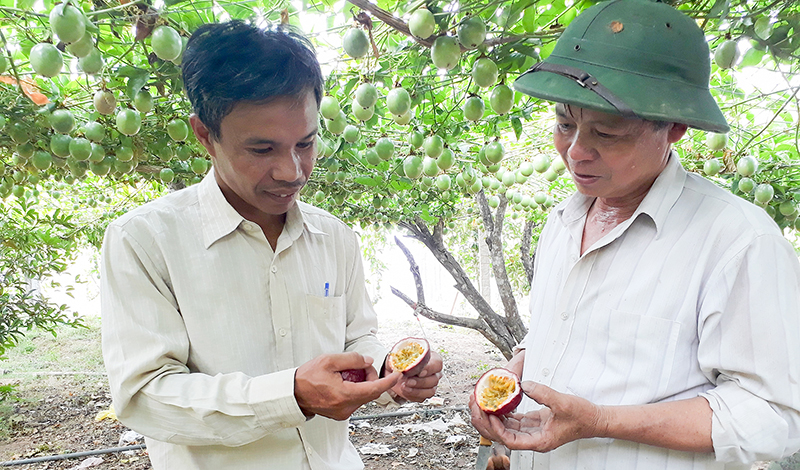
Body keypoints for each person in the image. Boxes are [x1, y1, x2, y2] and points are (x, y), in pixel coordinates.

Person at [469, 0, 800, 469]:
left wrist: (601, 420)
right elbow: (562, 330)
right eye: (566, 125)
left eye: (607, 132)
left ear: (675, 128)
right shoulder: (562, 223)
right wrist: (511, 371)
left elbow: (773, 415)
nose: (577, 152)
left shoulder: (738, 241)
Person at [100, 21, 442, 470]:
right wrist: (290, 395)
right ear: (205, 135)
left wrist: (388, 374)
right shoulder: (144, 241)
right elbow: (145, 397)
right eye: (262, 150)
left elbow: (357, 335)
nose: (292, 171)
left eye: (306, 143)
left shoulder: (333, 236)